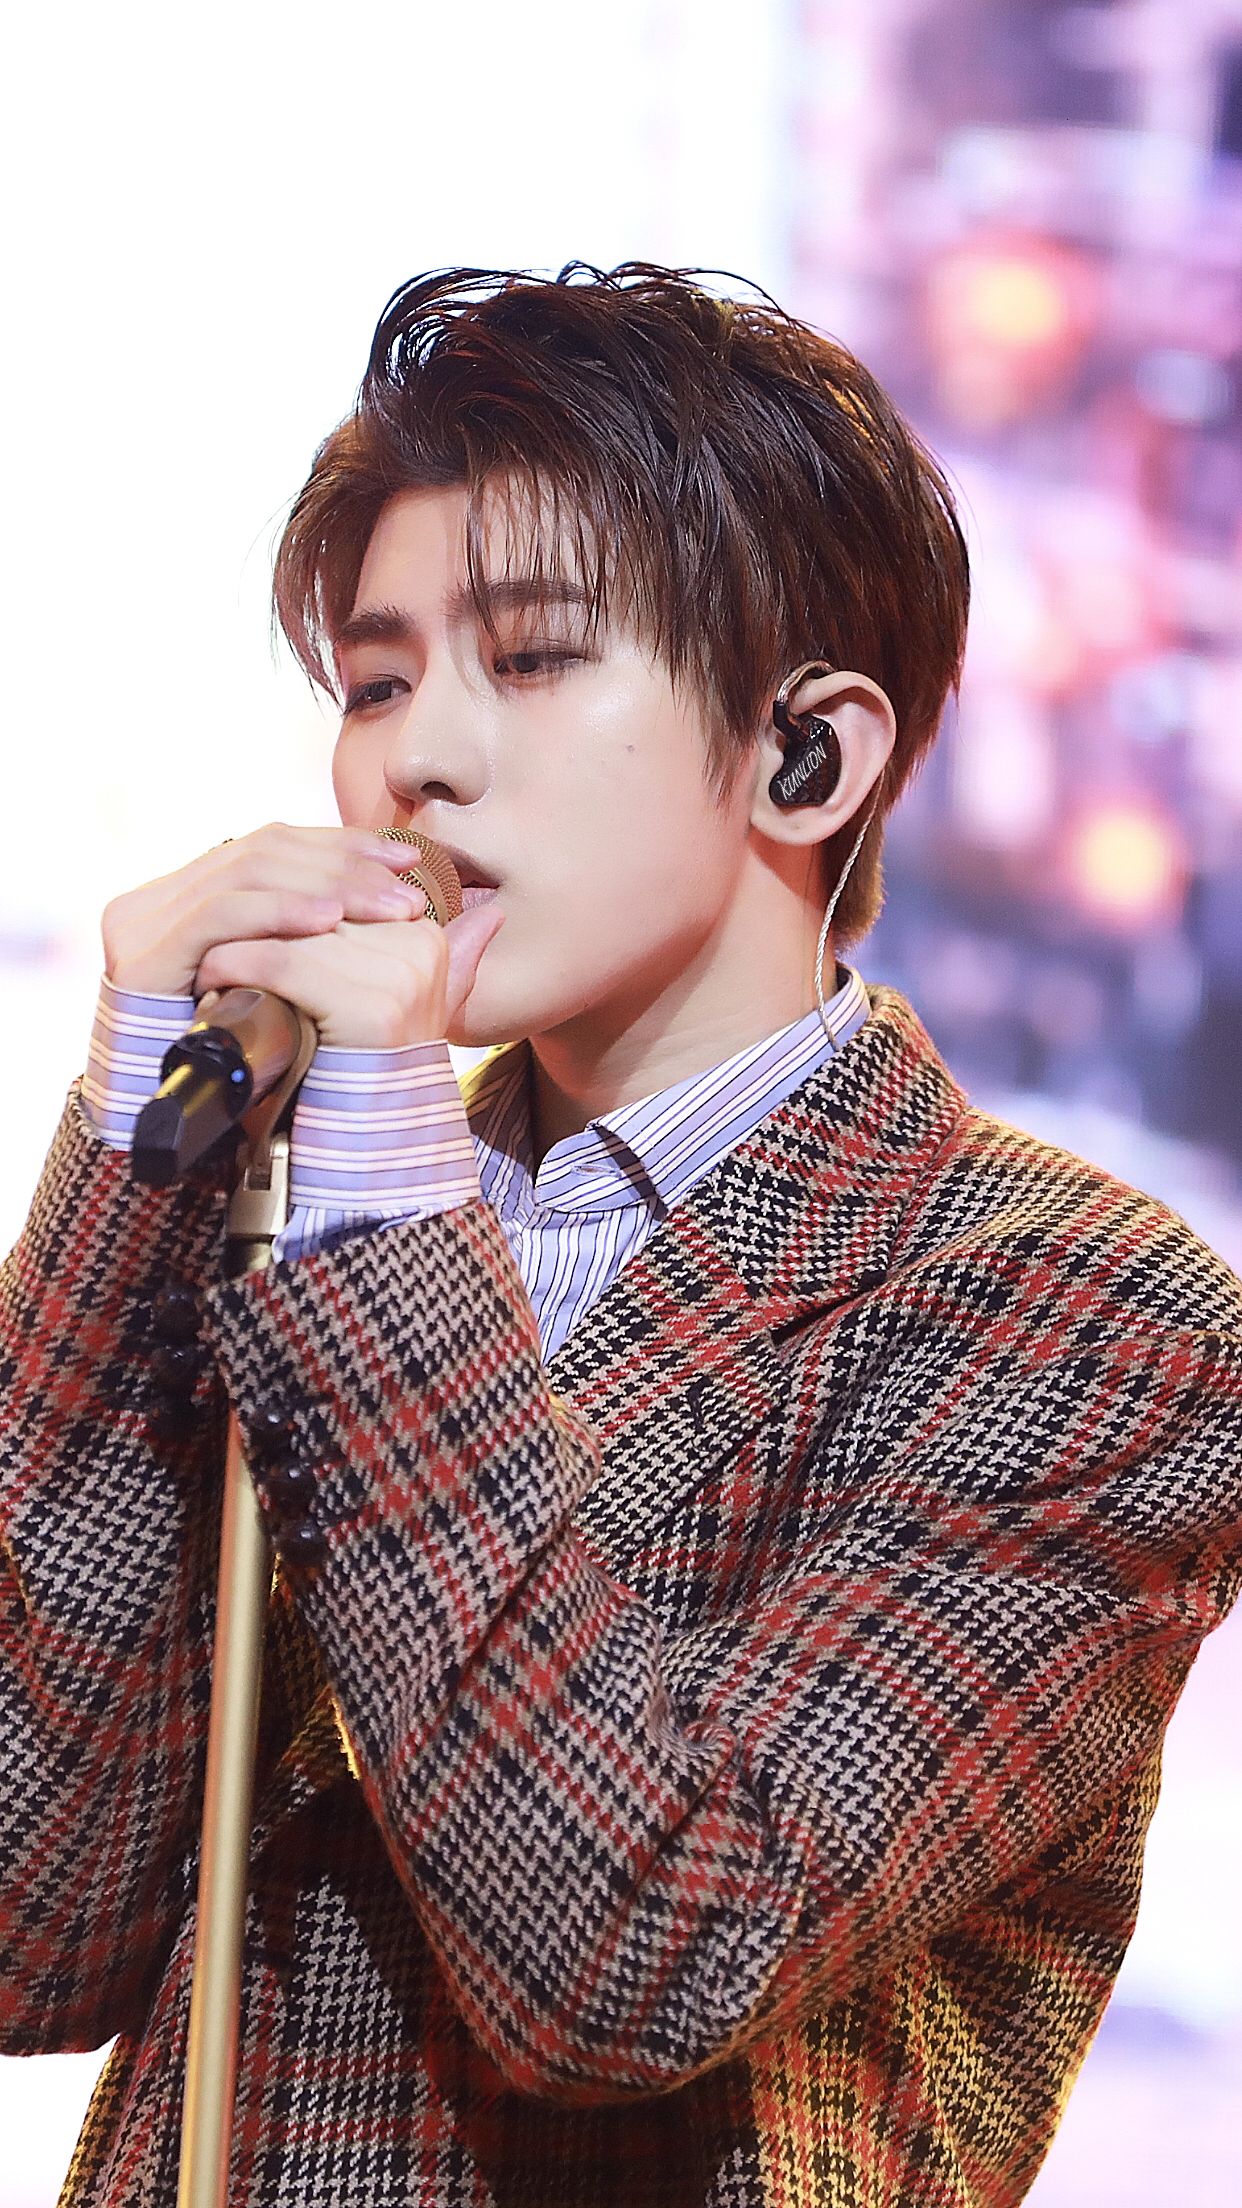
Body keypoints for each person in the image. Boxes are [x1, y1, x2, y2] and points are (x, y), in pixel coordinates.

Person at [2, 261, 1239, 2208]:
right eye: (378, 680)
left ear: (807, 756)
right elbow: (29, 1919)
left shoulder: (1087, 1316)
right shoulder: (292, 1199)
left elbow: (637, 1943)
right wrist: (127, 1159)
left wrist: (379, 1182)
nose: (414, 758)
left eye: (533, 658)